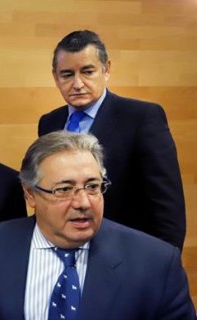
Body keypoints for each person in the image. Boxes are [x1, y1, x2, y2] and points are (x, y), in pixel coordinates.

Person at [0, 131, 197, 320]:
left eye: (92, 186)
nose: (83, 203)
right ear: (30, 194)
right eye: (64, 189)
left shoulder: (157, 263)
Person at [38, 29, 186, 250]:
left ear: (106, 69)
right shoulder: (49, 123)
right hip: (64, 254)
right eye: (67, 74)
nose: (77, 84)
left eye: (87, 71)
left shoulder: (142, 118)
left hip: (126, 255)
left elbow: (167, 209)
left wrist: (164, 270)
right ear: (55, 76)